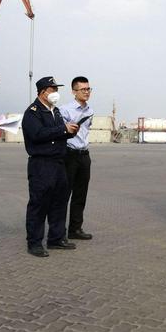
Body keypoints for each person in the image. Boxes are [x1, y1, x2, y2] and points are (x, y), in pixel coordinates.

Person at [22, 76, 79, 257]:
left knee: (59, 202)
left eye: (56, 89)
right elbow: (38, 134)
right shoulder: (32, 112)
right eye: (53, 89)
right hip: (41, 164)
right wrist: (63, 130)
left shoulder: (56, 111)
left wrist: (69, 131)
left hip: (58, 163)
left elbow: (57, 133)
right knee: (39, 204)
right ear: (43, 92)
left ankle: (56, 238)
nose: (56, 93)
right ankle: (35, 242)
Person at [60, 76, 94, 240]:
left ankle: (75, 229)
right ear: (74, 91)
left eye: (89, 89)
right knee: (63, 195)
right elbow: (59, 131)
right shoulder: (64, 110)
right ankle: (58, 232)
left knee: (81, 194)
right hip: (69, 155)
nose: (87, 92)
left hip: (84, 155)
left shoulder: (90, 110)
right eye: (83, 89)